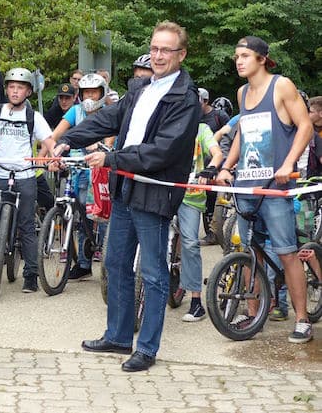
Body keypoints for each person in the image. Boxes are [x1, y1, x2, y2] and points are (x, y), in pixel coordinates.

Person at [53, 21, 200, 372]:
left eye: (166, 50)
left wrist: (112, 158)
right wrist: (68, 139)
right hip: (126, 188)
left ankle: (147, 348)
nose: (158, 55)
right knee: (115, 264)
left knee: (152, 272)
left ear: (181, 54)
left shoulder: (186, 99)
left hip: (154, 192)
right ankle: (118, 336)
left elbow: (162, 151)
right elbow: (108, 118)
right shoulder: (140, 89)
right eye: (154, 48)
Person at [216, 35, 313, 343]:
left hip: (275, 187)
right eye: (236, 56)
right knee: (249, 251)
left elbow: (306, 126)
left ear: (261, 59)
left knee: (286, 253)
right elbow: (244, 134)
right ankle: (252, 310)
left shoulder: (281, 86)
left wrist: (289, 163)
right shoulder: (243, 92)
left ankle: (302, 320)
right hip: (247, 186)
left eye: (244, 55)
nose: (239, 61)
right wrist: (226, 167)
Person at [0, 67, 56, 293]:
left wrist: (53, 158)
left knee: (26, 226)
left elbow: (50, 141)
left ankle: (31, 275)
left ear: (28, 92)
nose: (15, 91)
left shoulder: (33, 117)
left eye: (20, 88)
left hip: (25, 175)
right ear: (6, 89)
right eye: (12, 87)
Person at [49, 73, 111, 279]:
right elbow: (55, 136)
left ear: (102, 93)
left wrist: (101, 147)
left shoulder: (109, 112)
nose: (90, 97)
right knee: (80, 212)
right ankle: (83, 264)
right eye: (86, 93)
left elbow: (110, 143)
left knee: (98, 214)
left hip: (99, 169)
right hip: (76, 167)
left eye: (94, 92)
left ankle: (106, 262)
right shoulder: (75, 111)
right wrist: (49, 156)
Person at [178, 123, 223, 322]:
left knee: (190, 242)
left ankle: (196, 301)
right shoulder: (163, 121)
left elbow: (217, 152)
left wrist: (211, 168)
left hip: (191, 195)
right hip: (163, 191)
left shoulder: (201, 129)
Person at [198, 88, 230, 246]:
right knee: (206, 198)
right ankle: (209, 231)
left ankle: (215, 231)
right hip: (201, 161)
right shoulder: (193, 116)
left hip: (219, 159)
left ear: (205, 101)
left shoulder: (219, 115)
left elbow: (230, 132)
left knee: (216, 196)